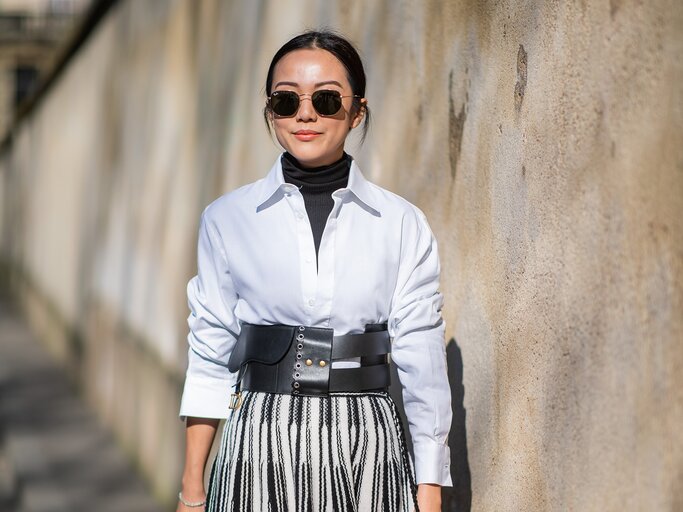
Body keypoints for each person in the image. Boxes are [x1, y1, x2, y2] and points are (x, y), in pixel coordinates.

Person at [176, 29, 452, 512]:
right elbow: (210, 349)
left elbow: (423, 364)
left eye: (326, 99)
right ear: (270, 111)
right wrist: (192, 491)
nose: (306, 114)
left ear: (358, 110)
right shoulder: (227, 219)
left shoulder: (401, 224)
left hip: (366, 447)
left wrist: (428, 494)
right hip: (259, 442)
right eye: (286, 101)